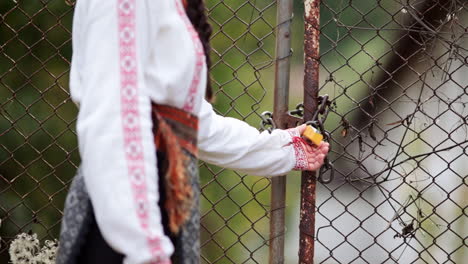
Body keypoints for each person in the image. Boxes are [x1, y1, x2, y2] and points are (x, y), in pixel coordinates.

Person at [56, 0, 330, 263]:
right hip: (128, 215)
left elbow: (194, 124)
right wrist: (145, 249)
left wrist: (284, 148)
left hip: (159, 202)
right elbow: (114, 118)